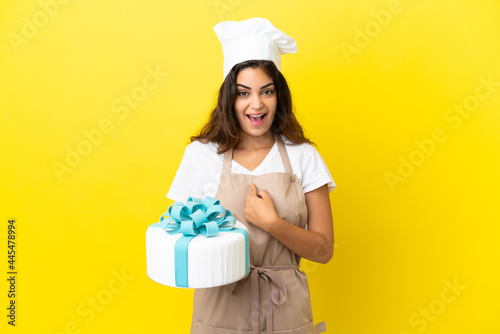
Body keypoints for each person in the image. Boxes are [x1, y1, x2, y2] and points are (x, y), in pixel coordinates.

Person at [167, 17, 336, 334]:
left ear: (279, 96)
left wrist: (274, 224)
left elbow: (324, 251)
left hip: (286, 309)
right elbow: (179, 241)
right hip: (220, 310)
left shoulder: (303, 156)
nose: (256, 104)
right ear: (228, 97)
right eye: (243, 93)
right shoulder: (201, 156)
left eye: (266, 91)